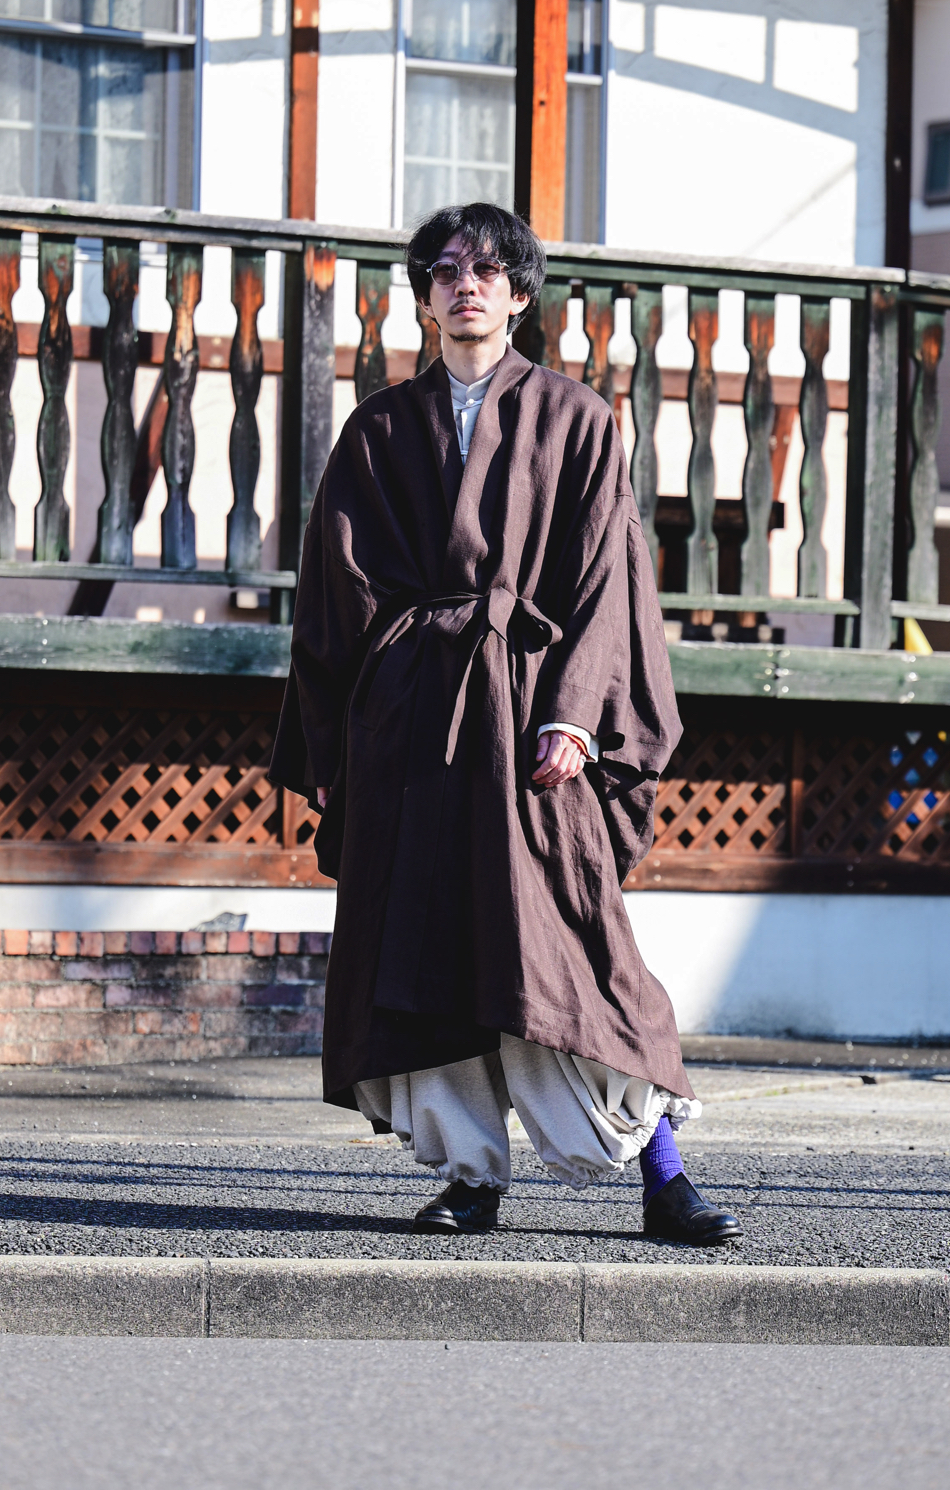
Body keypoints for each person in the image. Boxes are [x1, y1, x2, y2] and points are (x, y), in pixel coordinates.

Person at [270, 203, 740, 1248]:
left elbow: (608, 581)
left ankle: (662, 1172)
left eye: (487, 270)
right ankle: (469, 1177)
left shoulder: (577, 418)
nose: (465, 285)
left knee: (567, 944)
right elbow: (332, 594)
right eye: (445, 271)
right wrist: (334, 744)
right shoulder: (377, 430)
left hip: (526, 719)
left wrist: (575, 715)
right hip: (409, 725)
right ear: (426, 298)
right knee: (425, 951)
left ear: (520, 294)